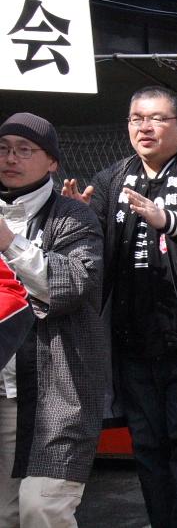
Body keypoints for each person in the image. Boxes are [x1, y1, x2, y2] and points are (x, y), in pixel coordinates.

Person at [62, 87, 177, 528]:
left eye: (157, 118)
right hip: (132, 345)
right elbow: (93, 254)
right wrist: (78, 217)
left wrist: (168, 219)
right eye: (135, 118)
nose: (144, 127)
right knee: (148, 451)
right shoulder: (112, 179)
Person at [0, 113, 105, 527]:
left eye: (25, 150)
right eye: (4, 148)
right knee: (4, 513)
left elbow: (74, 282)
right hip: (4, 390)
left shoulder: (75, 217)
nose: (11, 158)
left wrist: (10, 242)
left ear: (52, 163)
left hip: (59, 390)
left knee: (42, 507)